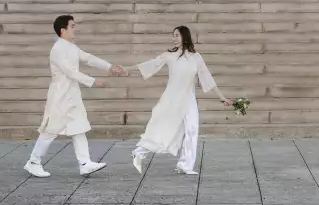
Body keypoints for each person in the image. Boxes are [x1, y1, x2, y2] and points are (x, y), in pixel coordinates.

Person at [23, 14, 127, 178]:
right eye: (72, 26)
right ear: (63, 30)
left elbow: (88, 58)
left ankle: (85, 163)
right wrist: (93, 81)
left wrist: (110, 67)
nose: (75, 29)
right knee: (50, 130)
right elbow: (70, 72)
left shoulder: (71, 47)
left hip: (72, 95)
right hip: (60, 96)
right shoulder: (57, 49)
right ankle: (33, 162)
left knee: (79, 128)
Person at [131, 26, 232, 175]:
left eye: (177, 35)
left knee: (192, 129)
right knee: (162, 126)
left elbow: (207, 78)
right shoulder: (169, 55)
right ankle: (139, 152)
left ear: (185, 36)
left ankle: (185, 165)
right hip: (171, 97)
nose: (174, 38)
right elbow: (150, 64)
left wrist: (222, 97)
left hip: (189, 98)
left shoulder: (196, 57)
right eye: (173, 35)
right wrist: (126, 69)